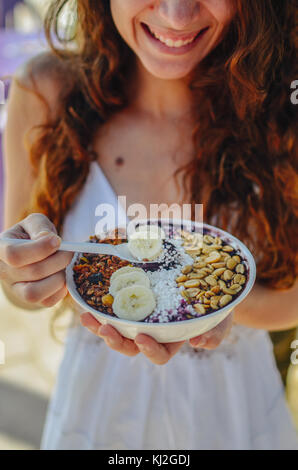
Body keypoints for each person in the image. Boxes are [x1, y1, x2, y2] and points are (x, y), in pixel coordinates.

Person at [1, 0, 298, 450]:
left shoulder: (282, 109)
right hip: (98, 409)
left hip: (233, 410)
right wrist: (24, 272)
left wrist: (222, 308)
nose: (177, 16)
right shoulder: (47, 92)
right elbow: (15, 282)